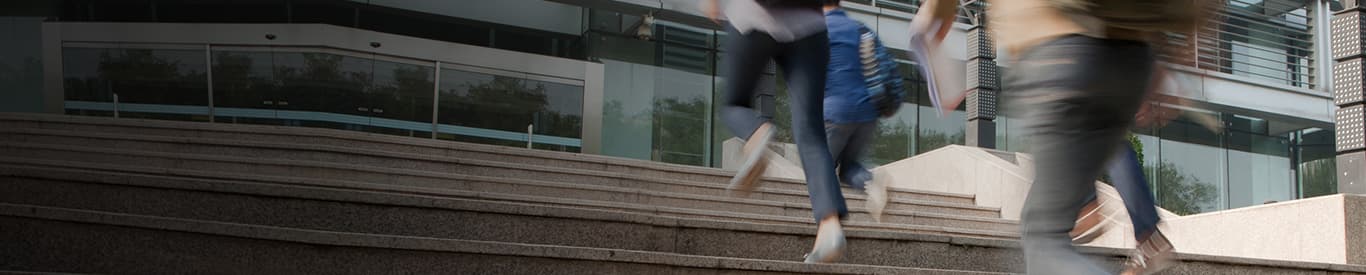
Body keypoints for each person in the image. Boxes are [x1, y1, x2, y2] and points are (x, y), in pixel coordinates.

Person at [916, 0, 1215, 273]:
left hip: (1056, 52)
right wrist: (1177, 57)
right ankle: (1138, 227)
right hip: (1132, 58)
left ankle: (1120, 218)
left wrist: (933, 18)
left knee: (1043, 239)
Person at [702, 0, 848, 263]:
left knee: (733, 104)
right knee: (811, 131)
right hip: (811, 26)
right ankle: (829, 227)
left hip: (752, 17)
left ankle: (756, 131)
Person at [819, 0, 895, 221]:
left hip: (835, 112)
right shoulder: (861, 29)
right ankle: (870, 181)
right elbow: (885, 67)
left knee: (822, 168)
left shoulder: (820, 31)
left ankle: (832, 227)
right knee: (848, 167)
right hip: (867, 113)